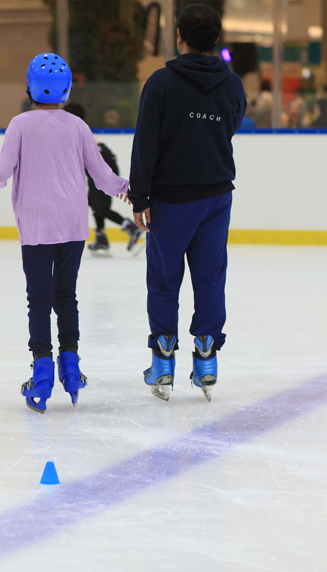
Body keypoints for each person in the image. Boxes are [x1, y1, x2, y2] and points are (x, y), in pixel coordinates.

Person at [0, 53, 129, 414]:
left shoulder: (19, 124)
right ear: (66, 88)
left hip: (36, 225)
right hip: (72, 224)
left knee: (39, 298)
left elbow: (1, 174)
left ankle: (42, 371)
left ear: (29, 87)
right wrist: (130, 188)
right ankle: (70, 365)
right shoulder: (79, 126)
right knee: (66, 295)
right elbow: (103, 178)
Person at [128, 3, 245, 402]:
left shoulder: (161, 83)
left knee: (164, 278)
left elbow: (145, 141)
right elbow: (230, 127)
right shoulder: (232, 86)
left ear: (179, 37)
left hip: (170, 200)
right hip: (215, 197)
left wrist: (140, 195)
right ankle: (207, 356)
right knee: (210, 276)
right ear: (216, 40)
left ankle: (163, 361)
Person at [63, 103, 142, 256]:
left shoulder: (75, 130)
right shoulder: (79, 128)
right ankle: (101, 237)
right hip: (103, 163)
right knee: (93, 202)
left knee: (100, 206)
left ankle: (130, 227)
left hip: (102, 165)